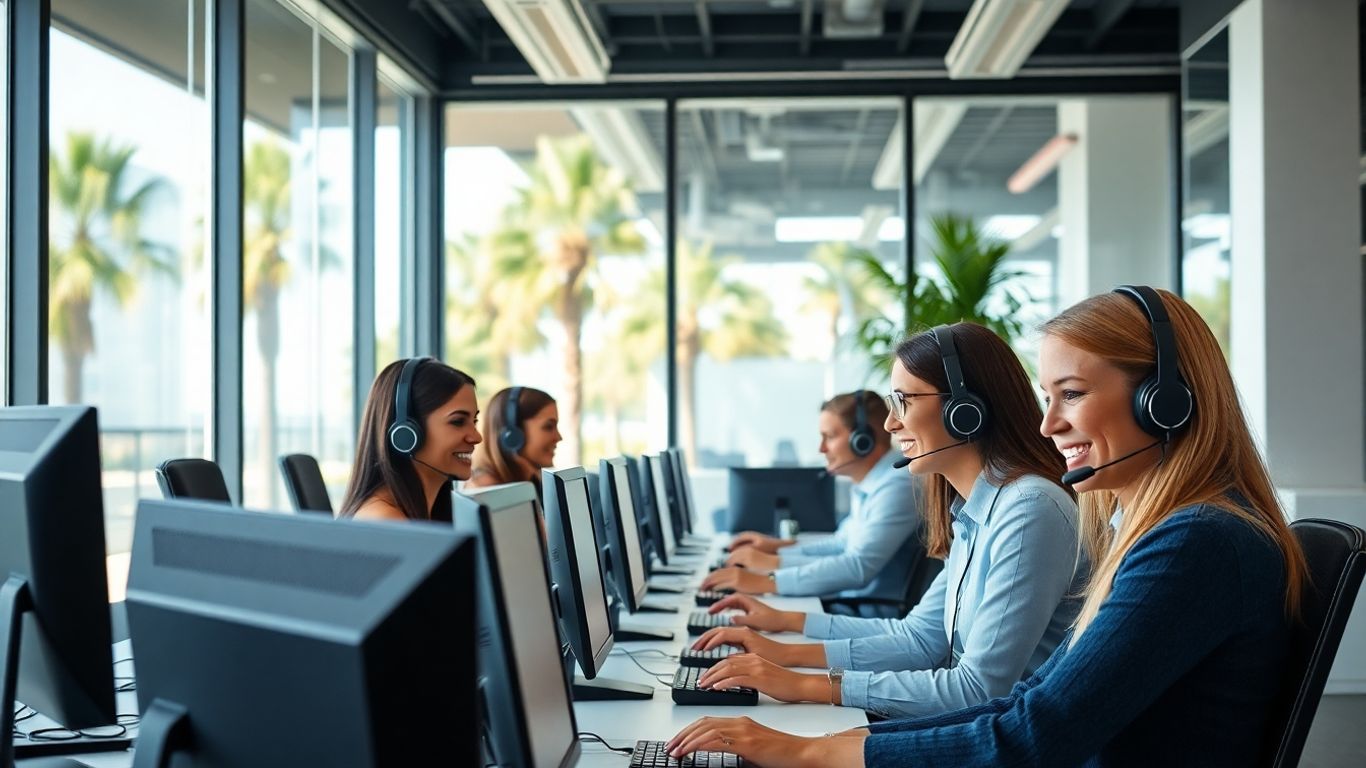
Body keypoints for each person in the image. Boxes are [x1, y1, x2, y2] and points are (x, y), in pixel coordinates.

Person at [666, 287, 1308, 767]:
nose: (1048, 423)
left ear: (1165, 401)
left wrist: (814, 749)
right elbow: (1025, 705)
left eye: (1073, 394)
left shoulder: (1194, 542)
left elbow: (1035, 730)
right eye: (1047, 395)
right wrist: (836, 734)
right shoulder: (1178, 532)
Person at [692, 323, 1083, 719]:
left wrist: (803, 683)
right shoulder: (975, 510)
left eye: (903, 402)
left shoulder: (1029, 509)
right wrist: (783, 650)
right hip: (973, 728)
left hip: (997, 742)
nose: (890, 425)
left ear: (965, 411)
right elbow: (920, 638)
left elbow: (976, 690)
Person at [703, 391, 923, 618]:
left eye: (829, 436)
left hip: (865, 616)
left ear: (863, 440)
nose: (821, 449)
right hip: (845, 605)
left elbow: (857, 567)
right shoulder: (872, 484)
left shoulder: (897, 485)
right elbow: (840, 544)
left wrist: (768, 576)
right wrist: (779, 548)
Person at [338, 357, 480, 523]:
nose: (477, 437)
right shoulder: (385, 522)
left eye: (474, 421)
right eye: (458, 422)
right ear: (405, 434)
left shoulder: (424, 513)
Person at [464, 386, 561, 489]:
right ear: (512, 435)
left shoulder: (532, 482)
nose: (558, 437)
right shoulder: (487, 490)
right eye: (549, 426)